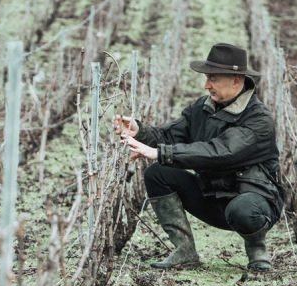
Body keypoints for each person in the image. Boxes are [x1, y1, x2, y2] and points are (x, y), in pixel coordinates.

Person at [113, 42, 284, 271]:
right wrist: (140, 131)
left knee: (243, 209)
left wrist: (160, 153)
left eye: (212, 78)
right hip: (212, 197)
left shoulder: (258, 120)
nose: (206, 85)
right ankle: (184, 251)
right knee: (158, 173)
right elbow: (170, 136)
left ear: (236, 80)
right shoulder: (202, 108)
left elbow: (222, 152)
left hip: (253, 203)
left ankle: (257, 252)